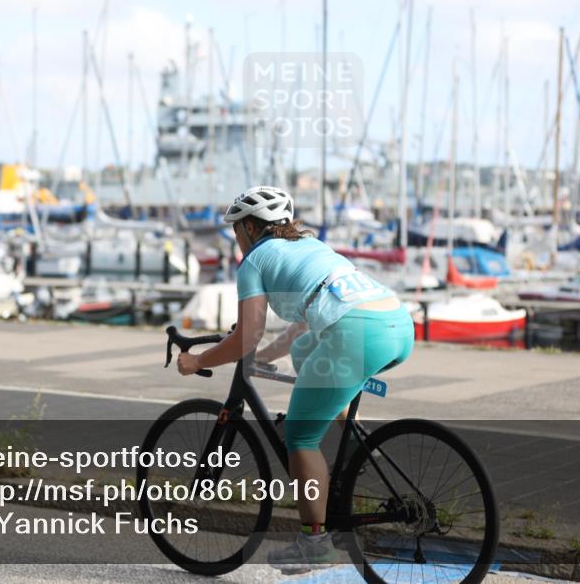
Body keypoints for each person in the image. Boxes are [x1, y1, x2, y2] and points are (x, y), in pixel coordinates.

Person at [176, 185, 414, 572]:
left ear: (250, 228)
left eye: (236, 232)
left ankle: (315, 543)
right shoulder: (310, 245)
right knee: (306, 352)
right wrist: (268, 355)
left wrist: (198, 359)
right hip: (396, 326)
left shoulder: (255, 262)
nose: (237, 241)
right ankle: (354, 444)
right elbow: (307, 319)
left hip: (355, 333)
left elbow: (245, 336)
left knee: (300, 436)